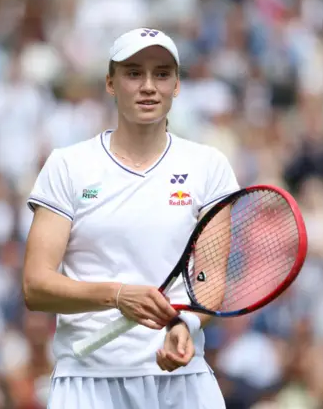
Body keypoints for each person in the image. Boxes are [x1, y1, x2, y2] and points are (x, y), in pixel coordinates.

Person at [22, 28, 239, 409]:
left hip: (182, 383)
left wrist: (184, 326)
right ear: (110, 82)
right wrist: (118, 296)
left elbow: (208, 276)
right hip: (87, 382)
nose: (149, 86)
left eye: (161, 74)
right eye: (134, 73)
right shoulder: (68, 166)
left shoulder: (209, 166)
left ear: (177, 85)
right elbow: (36, 285)